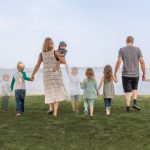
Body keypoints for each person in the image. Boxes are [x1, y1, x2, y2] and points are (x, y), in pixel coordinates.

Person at [31, 37, 66, 117]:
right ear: (46, 44)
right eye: (50, 43)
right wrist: (32, 74)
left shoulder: (42, 54)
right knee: (54, 92)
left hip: (49, 75)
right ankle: (54, 111)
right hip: (54, 75)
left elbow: (37, 66)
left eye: (52, 43)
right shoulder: (54, 52)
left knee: (49, 92)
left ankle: (53, 110)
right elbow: (64, 62)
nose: (52, 44)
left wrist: (33, 75)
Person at [114, 36, 146, 112]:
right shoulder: (138, 49)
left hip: (126, 75)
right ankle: (134, 103)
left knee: (127, 93)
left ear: (126, 41)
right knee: (135, 89)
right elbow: (142, 62)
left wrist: (115, 72)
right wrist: (144, 73)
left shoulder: (122, 50)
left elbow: (119, 61)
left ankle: (128, 109)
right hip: (136, 75)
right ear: (133, 41)